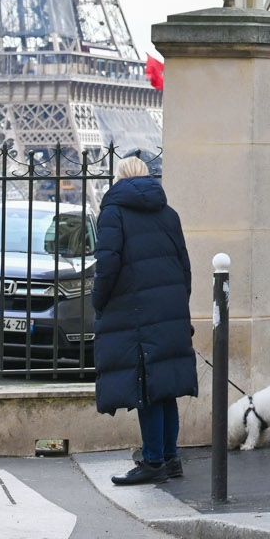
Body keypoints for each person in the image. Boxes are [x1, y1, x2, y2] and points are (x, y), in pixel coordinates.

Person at [94, 156, 197, 483]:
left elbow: (106, 267)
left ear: (119, 178)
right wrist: (179, 305)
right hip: (169, 309)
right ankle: (170, 457)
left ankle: (153, 461)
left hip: (134, 312)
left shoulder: (113, 214)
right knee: (165, 386)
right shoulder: (169, 214)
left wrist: (99, 304)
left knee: (146, 388)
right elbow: (185, 267)